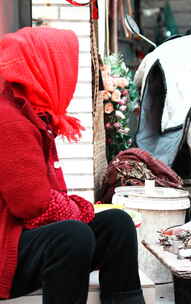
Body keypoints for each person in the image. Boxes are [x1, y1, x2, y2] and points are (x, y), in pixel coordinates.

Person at [0, 27, 145, 303]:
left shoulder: (30, 111)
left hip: (21, 237)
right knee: (72, 236)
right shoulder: (8, 119)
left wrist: (81, 211)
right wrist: (81, 210)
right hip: (5, 249)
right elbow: (32, 204)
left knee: (117, 224)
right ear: (43, 66)